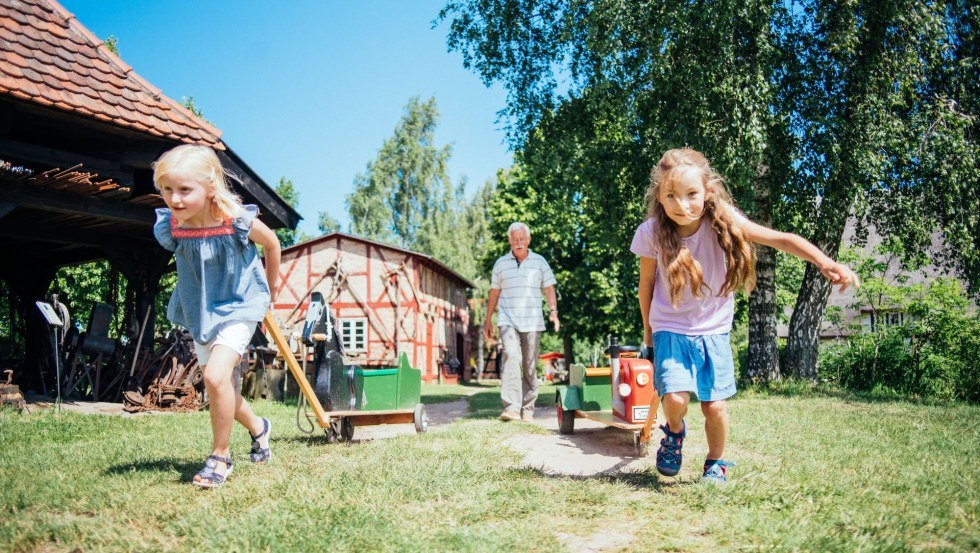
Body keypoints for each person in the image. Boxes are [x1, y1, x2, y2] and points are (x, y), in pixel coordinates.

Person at [631, 148, 858, 483]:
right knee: (675, 399)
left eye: (691, 194)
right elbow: (646, 286)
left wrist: (826, 262)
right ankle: (674, 433)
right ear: (659, 197)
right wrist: (648, 332)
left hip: (713, 329)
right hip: (670, 326)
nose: (682, 205)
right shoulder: (651, 232)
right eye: (671, 196)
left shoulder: (721, 220)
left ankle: (715, 462)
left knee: (714, 407)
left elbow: (781, 239)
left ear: (707, 192)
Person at [152, 144, 281, 488]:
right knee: (218, 383)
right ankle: (259, 428)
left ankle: (220, 457)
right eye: (167, 189)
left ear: (210, 187)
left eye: (184, 189)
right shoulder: (172, 226)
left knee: (215, 376)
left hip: (240, 305)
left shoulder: (234, 218)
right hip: (201, 311)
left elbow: (272, 244)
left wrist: (270, 290)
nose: (174, 198)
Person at [483, 222, 560, 421]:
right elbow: (494, 292)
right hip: (507, 320)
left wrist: (553, 312)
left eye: (522, 239)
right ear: (509, 240)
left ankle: (527, 408)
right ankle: (511, 407)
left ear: (528, 240)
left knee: (530, 365)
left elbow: (549, 289)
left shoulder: (540, 262)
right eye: (515, 239)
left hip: (532, 321)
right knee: (511, 355)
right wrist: (488, 320)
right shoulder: (501, 264)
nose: (518, 243)